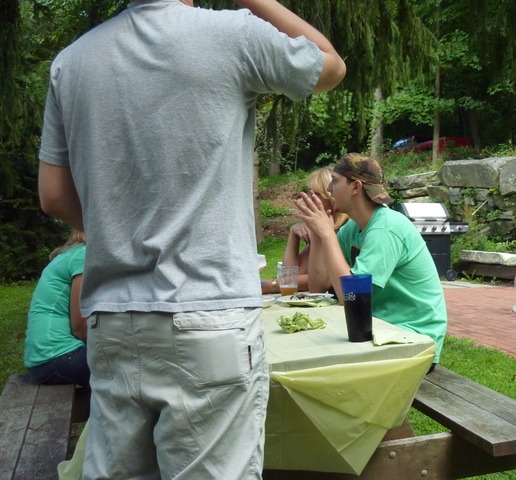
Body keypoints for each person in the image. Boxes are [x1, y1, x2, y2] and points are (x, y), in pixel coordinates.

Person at [37, 0, 345, 478]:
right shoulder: (233, 33)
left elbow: (54, 196)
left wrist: (121, 231)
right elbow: (329, 66)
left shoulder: (71, 62)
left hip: (113, 320)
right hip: (209, 314)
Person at [294, 153, 447, 368]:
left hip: (413, 340)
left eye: (335, 182)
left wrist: (328, 234)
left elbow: (350, 298)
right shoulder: (353, 228)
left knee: (318, 366)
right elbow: (317, 287)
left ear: (356, 187)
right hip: (379, 330)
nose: (329, 189)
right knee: (306, 348)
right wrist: (319, 234)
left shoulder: (386, 228)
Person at [261, 167, 349, 294]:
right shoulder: (321, 231)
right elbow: (291, 274)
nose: (309, 199)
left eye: (316, 194)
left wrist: (272, 285)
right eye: (309, 192)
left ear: (332, 196)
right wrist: (293, 234)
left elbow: (326, 278)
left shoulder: (344, 230)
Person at [23, 229, 90, 389]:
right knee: (130, 368)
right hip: (57, 357)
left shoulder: (70, 254)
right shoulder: (83, 255)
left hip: (43, 357)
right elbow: (80, 329)